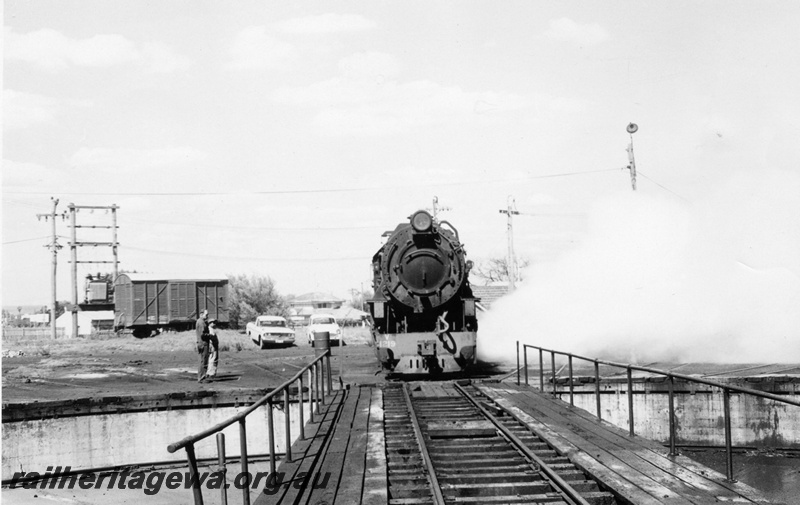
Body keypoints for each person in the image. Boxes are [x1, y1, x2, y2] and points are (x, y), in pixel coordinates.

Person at [196, 309, 210, 382]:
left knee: (201, 360)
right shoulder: (201, 322)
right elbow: (202, 334)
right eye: (206, 315)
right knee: (203, 361)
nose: (207, 316)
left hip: (200, 343)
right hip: (203, 344)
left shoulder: (201, 321)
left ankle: (201, 376)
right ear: (201, 314)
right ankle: (202, 377)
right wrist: (209, 335)